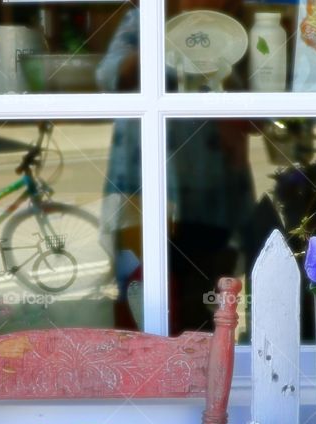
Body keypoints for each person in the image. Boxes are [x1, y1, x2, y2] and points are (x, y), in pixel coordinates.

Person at [98, 1, 257, 333]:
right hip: (143, 190)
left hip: (212, 196)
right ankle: (143, 377)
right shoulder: (146, 18)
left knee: (202, 306)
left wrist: (234, 107)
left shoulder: (232, 27)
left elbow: (260, 113)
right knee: (140, 298)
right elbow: (110, 75)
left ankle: (203, 378)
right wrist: (169, 38)